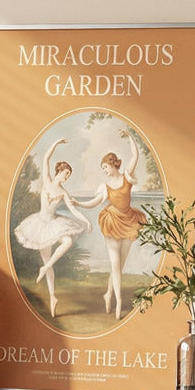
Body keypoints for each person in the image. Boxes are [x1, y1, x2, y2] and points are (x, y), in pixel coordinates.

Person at [13, 137, 92, 318]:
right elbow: (46, 158)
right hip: (39, 225)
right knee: (47, 262)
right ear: (60, 170)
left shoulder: (64, 193)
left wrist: (87, 221)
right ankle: (52, 297)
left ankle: (45, 268)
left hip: (55, 224)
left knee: (68, 241)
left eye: (69, 175)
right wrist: (56, 142)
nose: (67, 177)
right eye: (66, 173)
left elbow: (74, 210)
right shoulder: (47, 180)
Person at [72, 129, 145, 319]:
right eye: (102, 168)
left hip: (129, 221)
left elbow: (135, 156)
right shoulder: (104, 187)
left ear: (113, 164)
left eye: (105, 166)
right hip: (112, 222)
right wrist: (79, 203)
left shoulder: (127, 177)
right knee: (114, 264)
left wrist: (130, 136)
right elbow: (95, 202)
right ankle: (118, 301)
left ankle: (108, 293)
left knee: (119, 266)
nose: (104, 170)